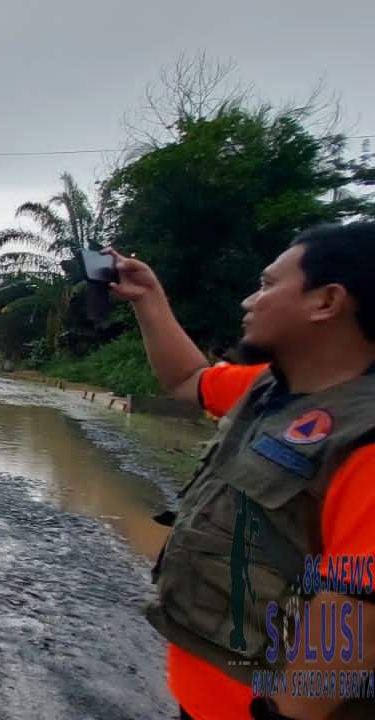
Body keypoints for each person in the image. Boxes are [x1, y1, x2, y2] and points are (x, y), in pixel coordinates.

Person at [109, 224, 375, 720]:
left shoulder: (363, 436)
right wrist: (148, 299)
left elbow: (358, 606)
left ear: (327, 301)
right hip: (207, 698)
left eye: (269, 285)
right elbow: (189, 380)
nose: (249, 301)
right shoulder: (272, 389)